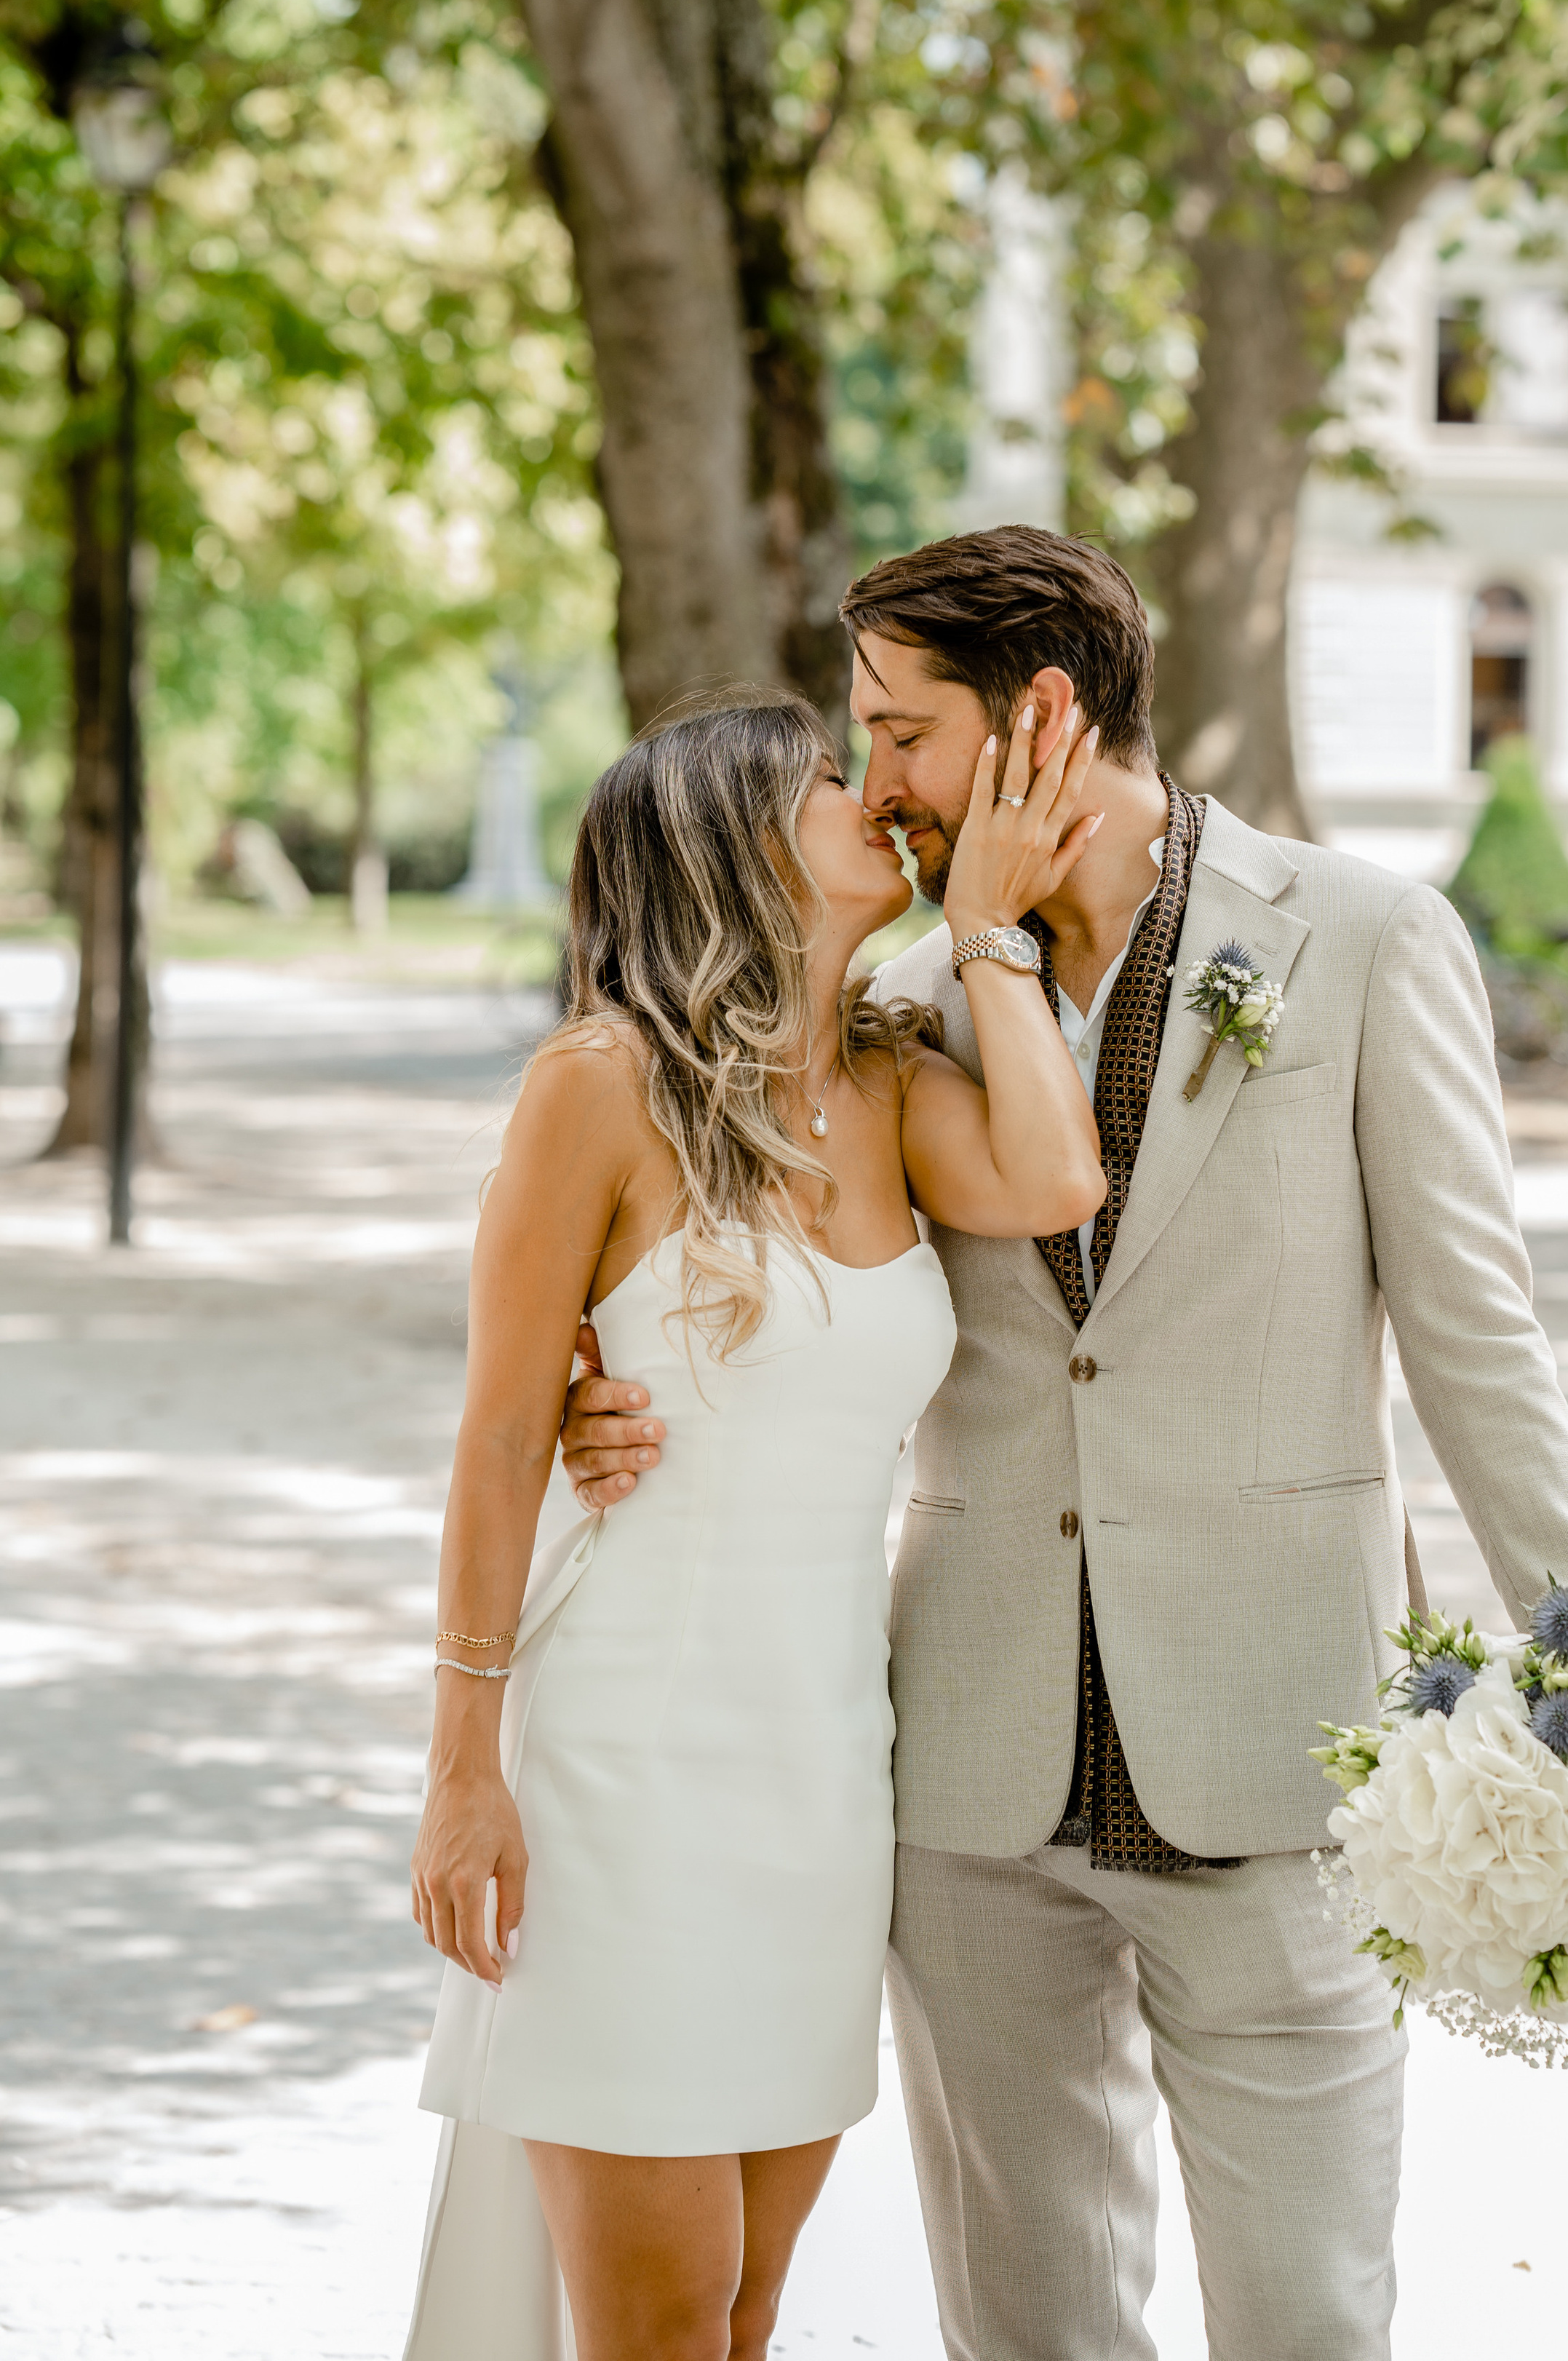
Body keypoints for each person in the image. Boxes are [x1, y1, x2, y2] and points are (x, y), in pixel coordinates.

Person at [562, 528, 1568, 2361]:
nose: (875, 784)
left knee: (1307, 2319)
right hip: (971, 1784)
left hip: (1281, 1758)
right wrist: (578, 1396)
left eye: (901, 732)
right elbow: (702, 1246)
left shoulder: (1359, 941)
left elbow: (1481, 1341)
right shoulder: (900, 995)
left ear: (1045, 716)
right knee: (1022, 2331)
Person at [402, 684, 1107, 2361]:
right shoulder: (598, 1085)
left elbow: (1056, 1181)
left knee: (745, 2310)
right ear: (722, 838)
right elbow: (502, 1438)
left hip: (820, 1779)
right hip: (619, 1774)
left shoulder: (888, 1080)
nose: (872, 795)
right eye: (821, 781)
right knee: (656, 2322)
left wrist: (992, 932)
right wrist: (459, 1772)